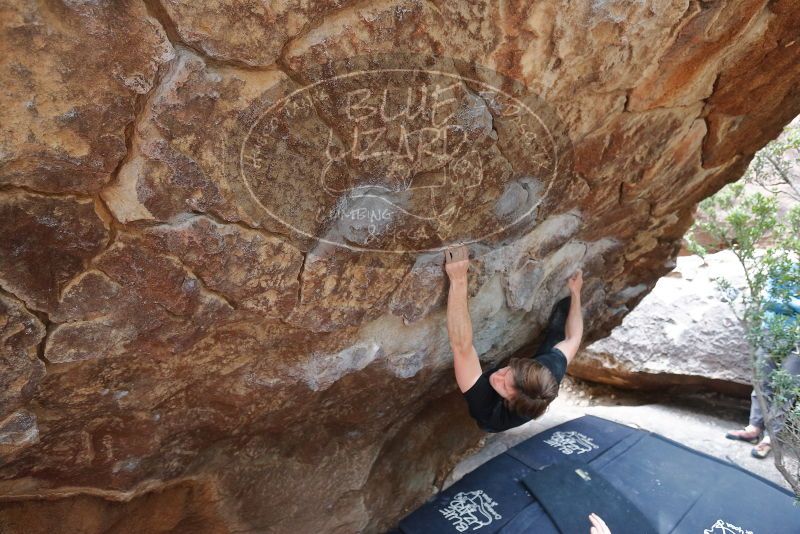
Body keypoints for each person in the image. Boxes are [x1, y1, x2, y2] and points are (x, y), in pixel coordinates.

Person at [444, 244, 584, 433]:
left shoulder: (487, 408)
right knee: (559, 335)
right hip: (539, 373)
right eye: (507, 370)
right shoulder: (551, 369)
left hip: (491, 420)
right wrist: (576, 293)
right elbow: (574, 338)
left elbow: (461, 347)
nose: (497, 376)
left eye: (503, 385)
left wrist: (459, 279)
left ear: (509, 401)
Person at [725, 269, 800, 458]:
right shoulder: (782, 265)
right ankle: (754, 428)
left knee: (786, 388)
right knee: (762, 382)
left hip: (797, 338)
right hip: (770, 330)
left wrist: (783, 302)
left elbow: (774, 302)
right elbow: (767, 299)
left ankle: (771, 438)